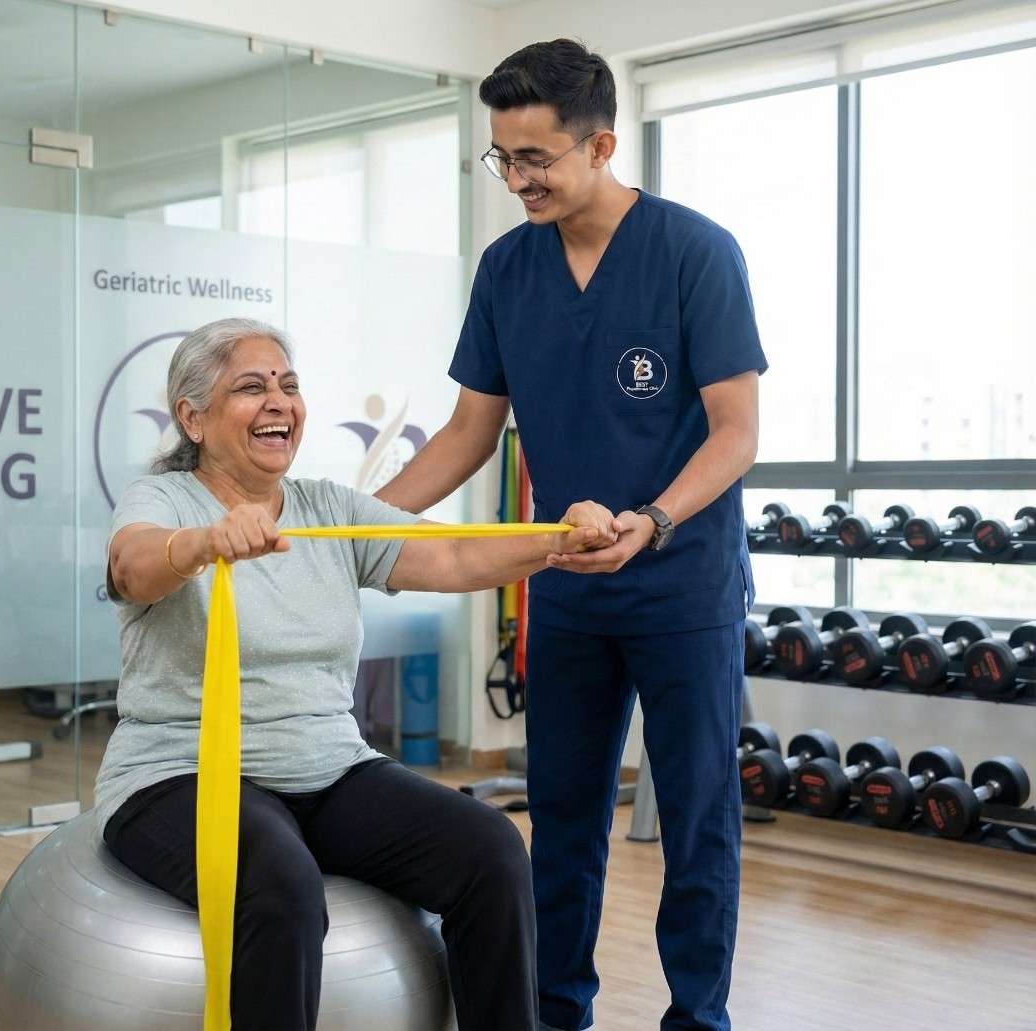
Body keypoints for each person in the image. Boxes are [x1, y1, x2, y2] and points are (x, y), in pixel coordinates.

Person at [376, 40, 766, 1031]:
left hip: (683, 587)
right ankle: (554, 1013)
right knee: (561, 820)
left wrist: (655, 519)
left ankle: (697, 1017)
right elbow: (469, 431)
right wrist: (358, 524)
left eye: (534, 158)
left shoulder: (694, 250)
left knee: (695, 822)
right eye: (500, 159)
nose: (516, 180)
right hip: (566, 587)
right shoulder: (507, 268)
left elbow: (736, 432)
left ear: (598, 144)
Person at [95, 316, 616, 1031]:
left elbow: (456, 557)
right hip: (178, 772)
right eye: (252, 387)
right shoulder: (162, 501)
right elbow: (133, 565)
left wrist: (560, 536)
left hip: (328, 766)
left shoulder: (326, 507)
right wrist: (203, 543)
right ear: (193, 417)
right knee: (277, 881)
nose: (279, 401)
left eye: (290, 385)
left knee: (491, 850)